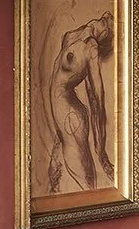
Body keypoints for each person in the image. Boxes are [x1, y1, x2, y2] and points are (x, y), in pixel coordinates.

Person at [43, 12, 115, 194]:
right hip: (63, 111)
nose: (108, 15)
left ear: (107, 33)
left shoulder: (91, 48)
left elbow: (96, 98)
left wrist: (101, 150)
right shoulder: (71, 35)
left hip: (70, 113)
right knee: (56, 178)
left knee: (87, 186)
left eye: (111, 22)